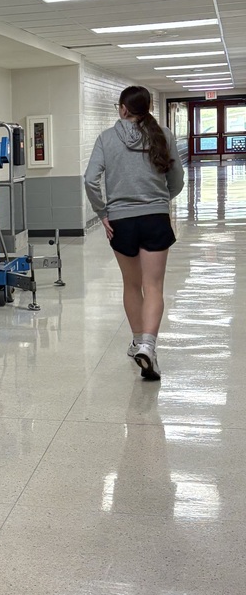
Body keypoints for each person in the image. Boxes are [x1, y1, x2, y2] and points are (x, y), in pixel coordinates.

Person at [84, 85, 184, 381]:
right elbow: (177, 179)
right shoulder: (162, 135)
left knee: (132, 285)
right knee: (153, 286)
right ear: (147, 107)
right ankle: (148, 347)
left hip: (121, 222)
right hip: (155, 218)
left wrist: (103, 213)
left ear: (123, 108)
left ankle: (138, 341)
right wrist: (161, 200)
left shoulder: (106, 138)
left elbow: (90, 180)